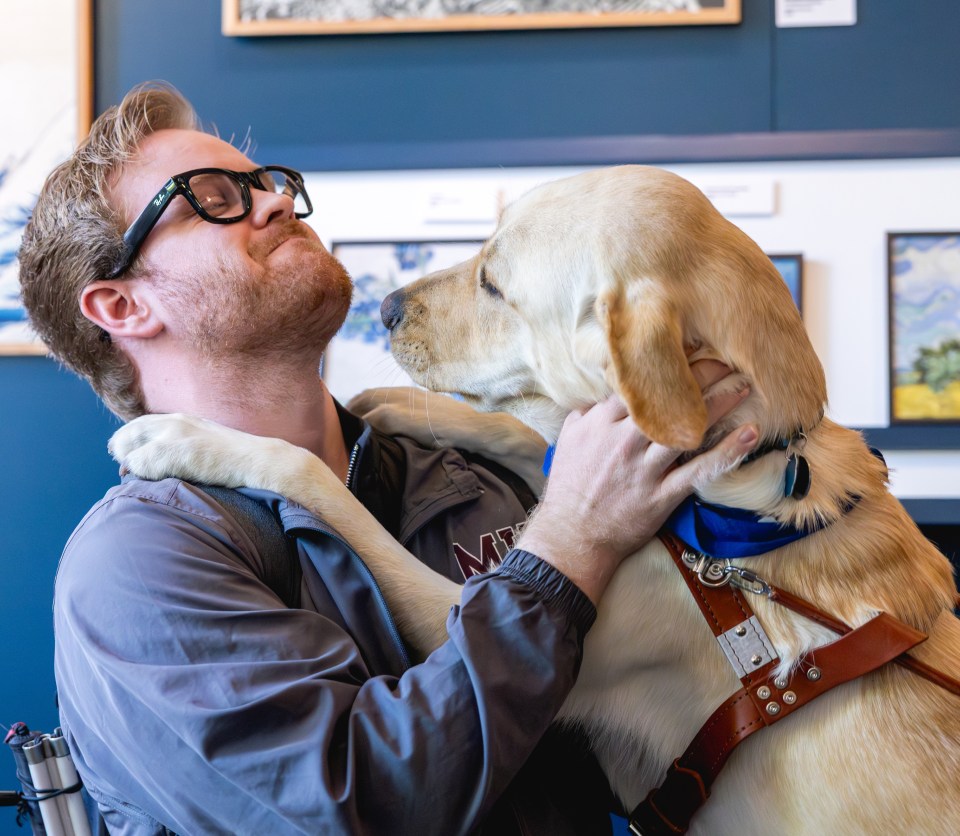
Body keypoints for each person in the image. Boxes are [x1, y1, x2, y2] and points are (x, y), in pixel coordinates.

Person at [18, 81, 758, 835]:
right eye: (210, 197)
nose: (273, 202)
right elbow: (360, 805)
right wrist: (570, 550)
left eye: (263, 183)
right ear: (123, 307)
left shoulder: (469, 474)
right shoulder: (139, 565)